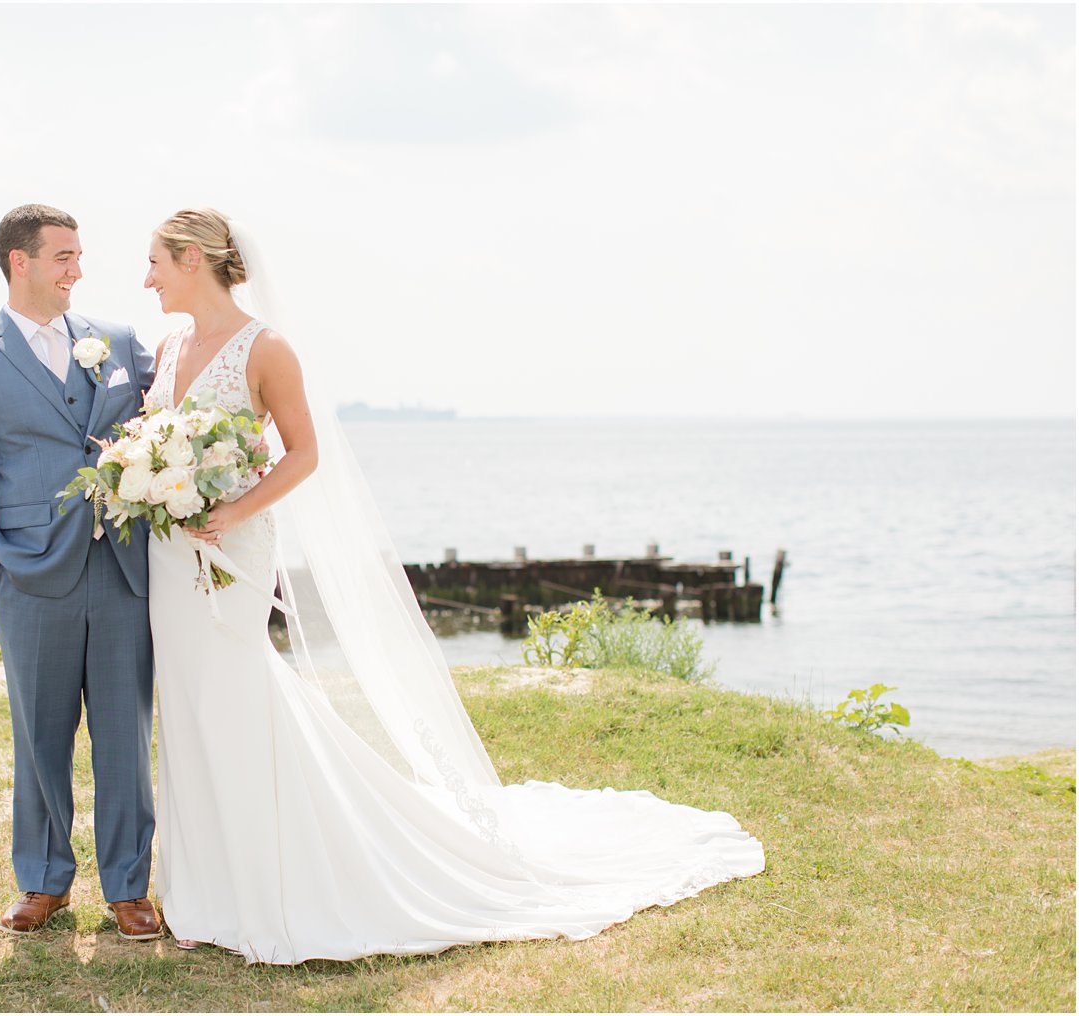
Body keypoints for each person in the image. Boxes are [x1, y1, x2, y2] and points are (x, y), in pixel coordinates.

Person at [142, 207, 766, 964]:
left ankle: (272, 873)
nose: (146, 279)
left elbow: (304, 454)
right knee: (184, 699)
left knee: (235, 692)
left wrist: (232, 509)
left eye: (155, 263)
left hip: (232, 550)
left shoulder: (265, 349)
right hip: (169, 557)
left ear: (192, 259)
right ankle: (203, 881)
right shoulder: (169, 344)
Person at [0, 204, 162, 940]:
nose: (78, 269)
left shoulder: (118, 342)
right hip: (30, 578)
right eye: (63, 255)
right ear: (19, 262)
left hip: (124, 570)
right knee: (40, 736)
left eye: (79, 254)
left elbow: (164, 427)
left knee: (126, 734)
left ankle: (129, 887)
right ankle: (42, 881)